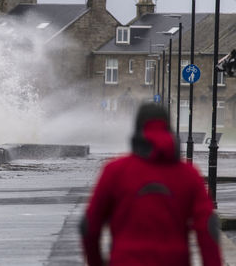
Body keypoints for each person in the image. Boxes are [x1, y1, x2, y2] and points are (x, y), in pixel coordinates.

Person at [80, 103, 222, 266]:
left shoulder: (115, 171)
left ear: (137, 130)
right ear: (169, 128)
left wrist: (96, 262)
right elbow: (208, 228)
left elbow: (89, 225)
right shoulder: (189, 175)